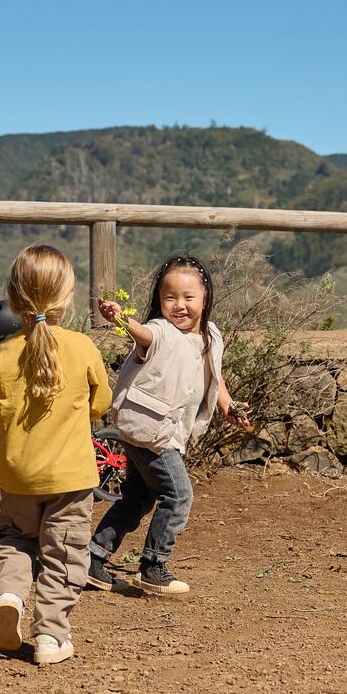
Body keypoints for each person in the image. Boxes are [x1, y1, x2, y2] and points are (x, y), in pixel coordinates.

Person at [0, 244, 112, 666]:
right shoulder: (82, 347)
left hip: (18, 477)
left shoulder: (3, 352)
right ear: (67, 297)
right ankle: (51, 636)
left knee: (14, 540)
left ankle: (9, 596)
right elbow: (99, 404)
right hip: (70, 478)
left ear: (13, 296)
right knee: (63, 554)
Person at [89, 255, 244, 597]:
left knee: (137, 498)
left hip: (155, 431)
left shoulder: (210, 336)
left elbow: (215, 377)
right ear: (159, 300)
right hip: (151, 434)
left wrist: (228, 406)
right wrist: (121, 318)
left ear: (205, 297)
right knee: (178, 495)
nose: (179, 305)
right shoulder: (160, 331)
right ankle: (152, 566)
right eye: (169, 297)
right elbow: (144, 334)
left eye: (188, 297)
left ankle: (93, 557)